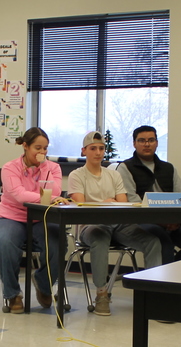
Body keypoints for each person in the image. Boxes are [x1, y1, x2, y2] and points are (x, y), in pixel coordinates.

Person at [66, 131, 160, 316]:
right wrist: (105, 203)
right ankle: (102, 293)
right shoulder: (76, 175)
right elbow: (80, 205)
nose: (98, 152)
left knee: (153, 242)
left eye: (101, 148)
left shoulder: (114, 175)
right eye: (93, 148)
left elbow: (123, 202)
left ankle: (153, 295)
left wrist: (109, 203)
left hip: (118, 225)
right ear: (84, 151)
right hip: (90, 226)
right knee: (100, 238)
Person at [0, 127, 65, 314]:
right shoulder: (10, 168)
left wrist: (45, 174)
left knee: (58, 243)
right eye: (37, 148)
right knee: (4, 243)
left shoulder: (53, 168)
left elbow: (55, 193)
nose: (42, 153)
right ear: (25, 146)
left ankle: (44, 285)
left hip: (41, 219)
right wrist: (44, 197)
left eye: (45, 149)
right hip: (11, 216)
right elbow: (18, 195)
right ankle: (13, 293)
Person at [116, 125, 181, 263]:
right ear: (134, 144)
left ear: (157, 143)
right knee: (163, 242)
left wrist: (176, 221)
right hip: (142, 222)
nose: (147, 144)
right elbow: (132, 201)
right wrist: (162, 222)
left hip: (172, 222)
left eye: (151, 140)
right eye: (142, 140)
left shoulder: (168, 168)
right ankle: (162, 281)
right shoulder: (125, 167)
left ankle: (174, 275)